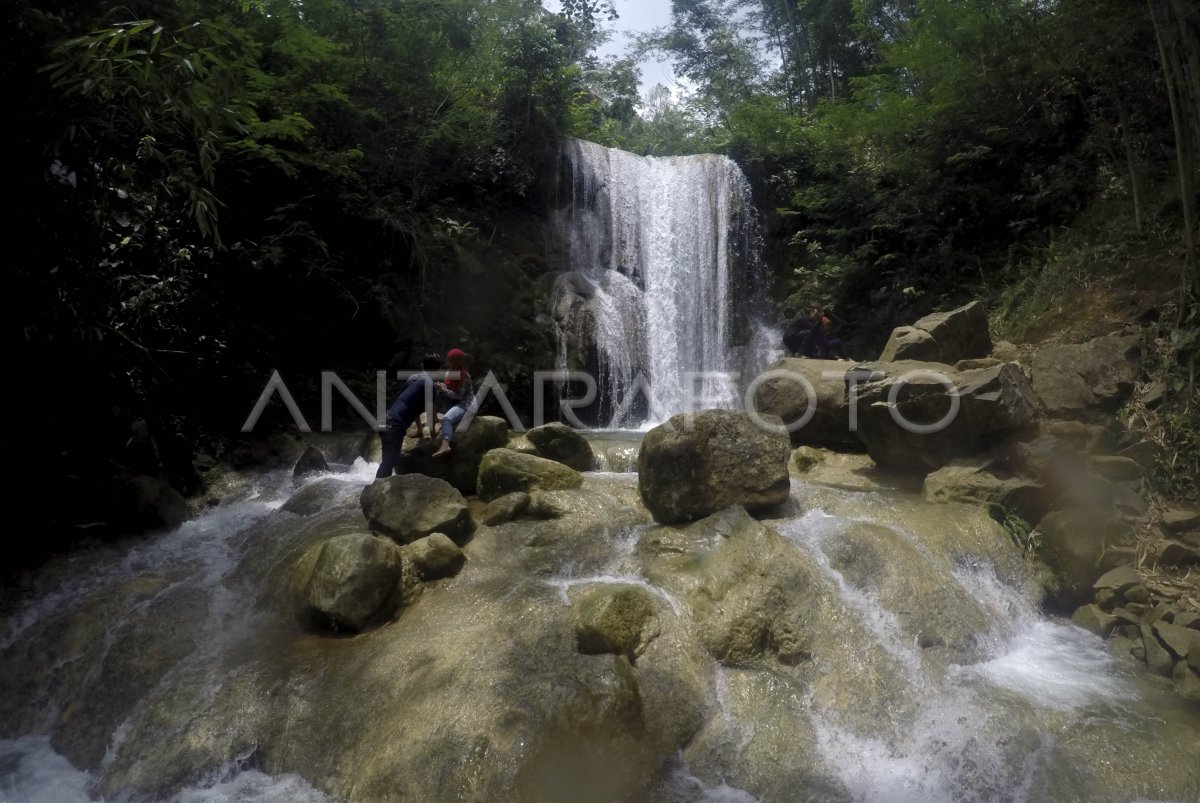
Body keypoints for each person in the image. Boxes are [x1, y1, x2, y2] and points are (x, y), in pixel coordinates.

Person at [376, 354, 440, 478]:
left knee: (387, 461)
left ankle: (380, 490)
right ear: (438, 370)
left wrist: (420, 430)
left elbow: (411, 405)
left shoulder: (413, 378)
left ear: (422, 366)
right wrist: (434, 433)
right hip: (395, 425)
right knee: (388, 463)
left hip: (385, 419)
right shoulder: (429, 385)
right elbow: (431, 411)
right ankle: (375, 493)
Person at [432, 348, 476, 458]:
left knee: (446, 419)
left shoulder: (464, 376)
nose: (447, 362)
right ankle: (435, 420)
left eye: (450, 360)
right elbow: (449, 388)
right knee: (437, 392)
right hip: (454, 401)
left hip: (466, 405)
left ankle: (445, 445)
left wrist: (443, 389)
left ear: (456, 362)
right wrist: (443, 387)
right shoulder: (451, 372)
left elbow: (459, 396)